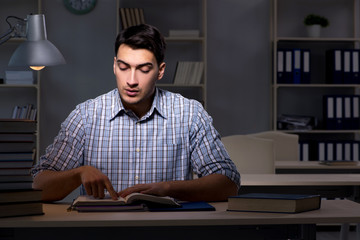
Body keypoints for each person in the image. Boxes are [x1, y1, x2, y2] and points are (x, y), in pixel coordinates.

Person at [31, 24, 240, 202]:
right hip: (103, 231)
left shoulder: (190, 114)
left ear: (160, 70)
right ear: (114, 66)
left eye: (143, 69)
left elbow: (228, 182)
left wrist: (167, 188)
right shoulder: (85, 116)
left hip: (168, 230)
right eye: (124, 67)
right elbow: (39, 185)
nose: (131, 80)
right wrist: (78, 174)